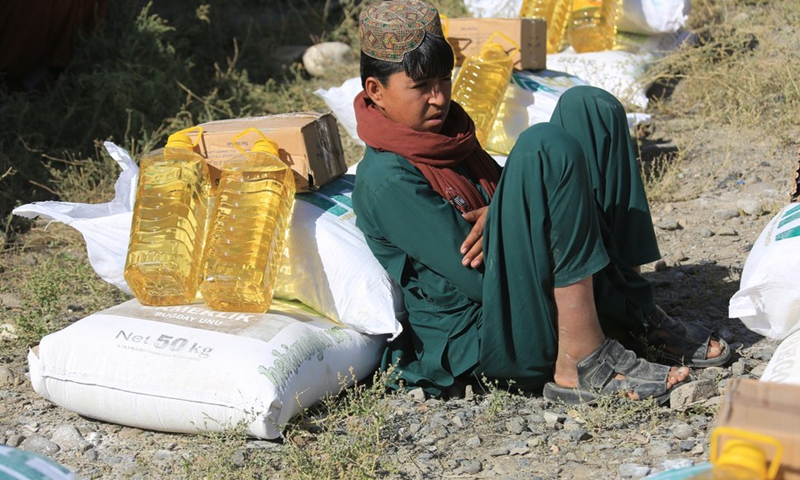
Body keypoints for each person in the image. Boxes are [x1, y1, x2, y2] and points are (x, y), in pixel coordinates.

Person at [351, 0, 730, 404]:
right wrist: (514, 210)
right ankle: (582, 360)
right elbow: (478, 279)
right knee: (543, 148)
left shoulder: (449, 133)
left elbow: (503, 225)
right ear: (376, 90)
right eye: (420, 86)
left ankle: (632, 312)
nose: (439, 97)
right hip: (496, 334)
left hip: (528, 293)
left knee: (590, 108)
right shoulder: (385, 180)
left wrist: (504, 210)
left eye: (444, 79)